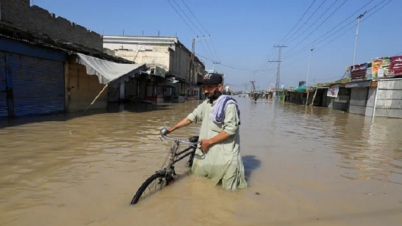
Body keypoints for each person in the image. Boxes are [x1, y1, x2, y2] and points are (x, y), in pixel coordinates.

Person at [162, 73, 248, 190]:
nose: (206, 91)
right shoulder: (206, 104)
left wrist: (209, 142)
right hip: (208, 151)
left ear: (219, 87)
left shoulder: (229, 106)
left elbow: (230, 131)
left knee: (228, 192)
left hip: (225, 156)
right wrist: (170, 130)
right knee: (199, 183)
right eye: (204, 88)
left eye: (209, 88)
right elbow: (190, 118)